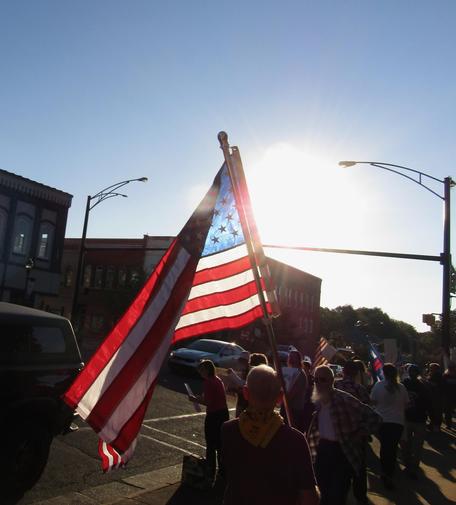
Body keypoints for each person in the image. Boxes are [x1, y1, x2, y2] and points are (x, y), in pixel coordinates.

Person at [221, 365, 320, 505]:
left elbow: (227, 474)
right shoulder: (296, 440)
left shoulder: (228, 430)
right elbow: (309, 498)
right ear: (280, 397)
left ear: (245, 393)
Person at [308, 365, 380, 505]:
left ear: (331, 381)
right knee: (323, 493)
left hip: (341, 452)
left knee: (337, 495)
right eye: (315, 379)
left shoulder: (344, 399)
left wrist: (359, 433)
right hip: (322, 451)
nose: (317, 383)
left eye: (322, 379)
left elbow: (375, 418)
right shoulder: (318, 401)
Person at [335, 360, 370, 505]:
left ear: (343, 371)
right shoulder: (361, 389)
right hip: (356, 434)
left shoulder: (336, 386)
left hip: (338, 434)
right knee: (359, 470)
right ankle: (360, 497)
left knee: (340, 471)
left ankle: (340, 497)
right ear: (356, 373)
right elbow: (368, 412)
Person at [188, 360, 229, 483]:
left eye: (201, 370)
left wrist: (194, 399)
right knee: (220, 444)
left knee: (211, 444)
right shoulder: (217, 380)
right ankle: (222, 471)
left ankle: (210, 471)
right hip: (223, 413)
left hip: (214, 415)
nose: (200, 373)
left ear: (206, 370)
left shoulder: (208, 382)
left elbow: (208, 402)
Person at [370, 363, 409, 490]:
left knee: (385, 447)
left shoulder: (378, 386)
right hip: (397, 422)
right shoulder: (401, 388)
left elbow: (373, 401)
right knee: (392, 448)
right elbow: (407, 404)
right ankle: (389, 472)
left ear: (384, 373)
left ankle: (386, 472)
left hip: (382, 421)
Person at [402, 365, 430, 478]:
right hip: (419, 419)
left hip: (408, 418)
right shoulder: (424, 385)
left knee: (406, 444)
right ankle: (414, 466)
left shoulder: (403, 385)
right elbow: (429, 402)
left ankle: (408, 464)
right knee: (417, 446)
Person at [280, 350, 309, 433]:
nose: (291, 358)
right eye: (290, 356)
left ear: (298, 359)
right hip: (285, 405)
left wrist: (282, 398)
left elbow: (293, 392)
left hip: (294, 409)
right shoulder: (288, 371)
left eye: (293, 357)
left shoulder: (300, 374)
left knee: (290, 432)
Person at [427, 363, 444, 432]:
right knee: (432, 411)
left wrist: (428, 383)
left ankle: (436, 426)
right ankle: (433, 424)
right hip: (433, 396)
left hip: (437, 396)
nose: (430, 369)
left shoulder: (438, 375)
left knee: (436, 411)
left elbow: (436, 385)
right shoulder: (432, 374)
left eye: (431, 368)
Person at [442, 361, 456, 429]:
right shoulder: (445, 375)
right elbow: (442, 386)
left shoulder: (446, 375)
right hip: (447, 397)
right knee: (448, 411)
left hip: (450, 396)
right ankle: (448, 424)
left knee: (448, 411)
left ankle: (448, 424)